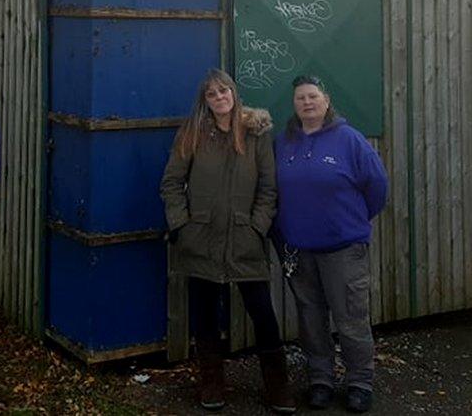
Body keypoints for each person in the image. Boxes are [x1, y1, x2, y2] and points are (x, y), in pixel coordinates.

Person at [160, 69, 296, 413]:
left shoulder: (256, 135)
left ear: (234, 94)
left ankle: (278, 387)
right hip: (200, 240)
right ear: (204, 101)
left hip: (244, 240)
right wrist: (181, 225)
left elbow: (268, 188)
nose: (219, 98)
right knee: (204, 316)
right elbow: (172, 183)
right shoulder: (192, 134)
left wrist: (257, 227)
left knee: (263, 314)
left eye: (224, 92)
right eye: (212, 94)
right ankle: (211, 382)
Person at [273, 75, 388, 413]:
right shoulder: (284, 142)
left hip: (343, 250)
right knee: (311, 320)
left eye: (312, 96)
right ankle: (320, 380)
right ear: (294, 105)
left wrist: (351, 220)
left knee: (350, 319)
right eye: (300, 98)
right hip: (299, 250)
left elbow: (377, 187)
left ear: (326, 100)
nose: (307, 103)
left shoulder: (349, 140)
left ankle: (359, 383)